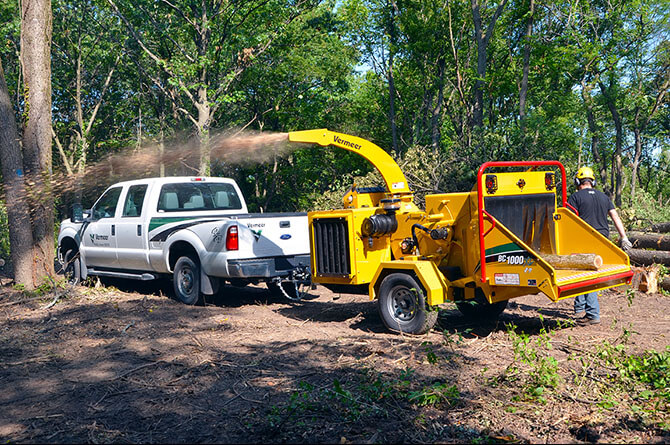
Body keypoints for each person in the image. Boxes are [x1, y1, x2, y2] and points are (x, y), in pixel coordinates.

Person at [567, 166, 632, 325]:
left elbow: (568, 220)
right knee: (585, 270)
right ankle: (579, 306)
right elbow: (615, 216)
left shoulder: (575, 197)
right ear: (593, 181)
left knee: (586, 274)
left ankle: (592, 314)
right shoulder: (604, 197)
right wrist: (623, 237)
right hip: (603, 238)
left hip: (585, 238)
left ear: (578, 181)